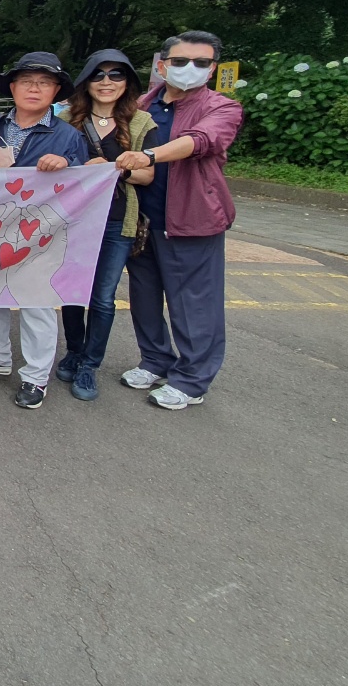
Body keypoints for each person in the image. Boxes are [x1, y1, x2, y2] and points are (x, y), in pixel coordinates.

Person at [115, 31, 243, 411]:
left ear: (213, 69)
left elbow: (200, 141)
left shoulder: (221, 108)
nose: (190, 69)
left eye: (201, 63)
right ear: (162, 65)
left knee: (194, 302)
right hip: (141, 219)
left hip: (192, 219)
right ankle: (155, 360)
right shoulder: (139, 105)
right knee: (144, 296)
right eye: (181, 61)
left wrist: (150, 156)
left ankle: (192, 379)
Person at [0, 52, 88, 409]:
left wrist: (68, 163)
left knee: (36, 302)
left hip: (42, 232)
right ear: (13, 87)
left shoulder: (67, 135)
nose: (34, 89)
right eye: (26, 81)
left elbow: (86, 180)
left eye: (44, 83)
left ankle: (36, 376)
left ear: (55, 91)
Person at [55, 50, 157, 401]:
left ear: (127, 82)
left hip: (117, 221)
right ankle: (72, 350)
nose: (106, 82)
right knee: (71, 292)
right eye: (98, 75)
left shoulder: (142, 122)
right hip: (73, 222)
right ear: (86, 81)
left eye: (116, 75)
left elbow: (147, 174)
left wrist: (116, 168)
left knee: (102, 298)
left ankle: (90, 364)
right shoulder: (65, 119)